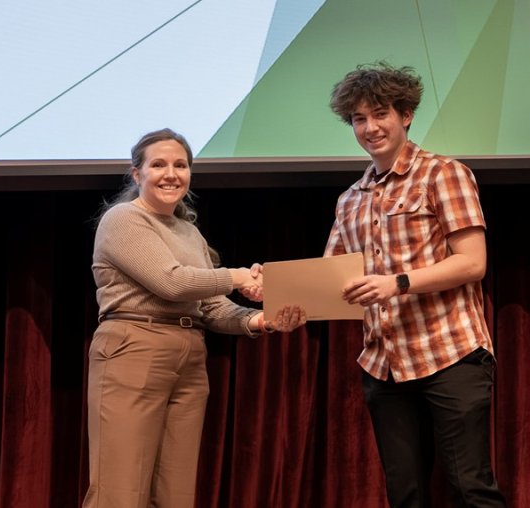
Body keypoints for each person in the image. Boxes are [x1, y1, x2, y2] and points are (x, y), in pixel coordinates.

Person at [83, 128, 306, 508]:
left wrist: (262, 320)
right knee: (120, 492)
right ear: (136, 174)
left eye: (180, 165)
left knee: (175, 493)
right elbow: (171, 283)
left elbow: (214, 307)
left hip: (189, 356)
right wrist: (239, 276)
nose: (171, 173)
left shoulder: (189, 231)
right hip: (134, 348)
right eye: (158, 164)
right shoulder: (123, 219)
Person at [324, 63, 506, 507]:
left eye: (380, 114)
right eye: (359, 119)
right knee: (405, 496)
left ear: (405, 115)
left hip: (451, 354)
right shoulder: (350, 199)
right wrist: (271, 290)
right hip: (384, 365)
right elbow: (329, 277)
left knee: (470, 489)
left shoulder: (444, 174)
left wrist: (397, 283)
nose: (370, 128)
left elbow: (472, 263)